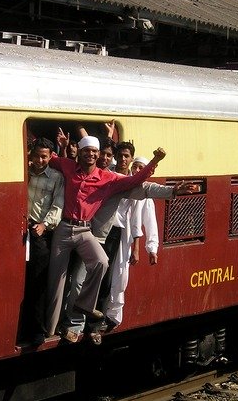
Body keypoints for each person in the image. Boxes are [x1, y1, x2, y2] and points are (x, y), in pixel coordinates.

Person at [42, 128, 167, 342]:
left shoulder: (107, 178)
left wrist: (155, 159)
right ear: (80, 153)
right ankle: (50, 327)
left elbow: (136, 181)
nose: (90, 154)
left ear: (98, 155)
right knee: (57, 280)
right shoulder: (67, 165)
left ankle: (84, 305)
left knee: (101, 262)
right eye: (86, 151)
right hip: (63, 229)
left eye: (94, 151)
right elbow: (48, 159)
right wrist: (59, 148)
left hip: (84, 230)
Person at [104, 156, 159, 329]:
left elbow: (149, 223)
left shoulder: (145, 195)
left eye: (140, 168)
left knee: (120, 276)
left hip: (126, 238)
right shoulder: (121, 181)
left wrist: (151, 248)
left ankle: (113, 315)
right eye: (135, 167)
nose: (136, 170)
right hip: (111, 233)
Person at [20, 137, 64, 343]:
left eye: (44, 156)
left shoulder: (56, 177)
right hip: (21, 229)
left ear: (51, 157)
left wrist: (45, 225)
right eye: (36, 155)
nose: (39, 160)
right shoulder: (24, 171)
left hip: (40, 232)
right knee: (21, 280)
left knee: (37, 283)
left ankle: (36, 329)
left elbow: (58, 205)